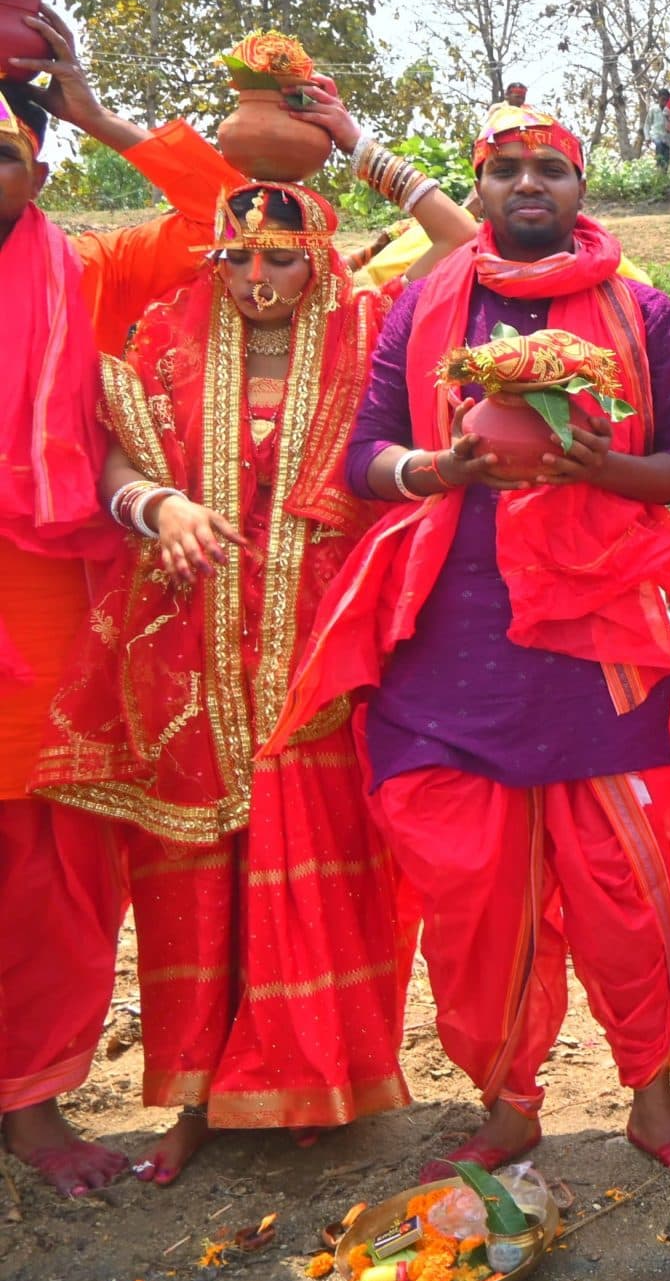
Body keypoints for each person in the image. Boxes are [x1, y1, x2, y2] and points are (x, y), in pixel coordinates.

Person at [277, 102, 670, 1189]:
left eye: (551, 170)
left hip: (597, 635)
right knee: (474, 896)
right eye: (508, 170)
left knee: (629, 888)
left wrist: (595, 470)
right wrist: (435, 471)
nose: (530, 185)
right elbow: (364, 456)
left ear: (579, 192)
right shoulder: (421, 303)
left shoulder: (642, 309)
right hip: (449, 636)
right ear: (477, 189)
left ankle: (651, 1101)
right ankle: (509, 1105)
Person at [36, 91, 475, 1183]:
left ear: (317, 254)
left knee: (323, 874)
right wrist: (156, 506)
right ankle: (187, 1097)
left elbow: (467, 249)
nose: (257, 279)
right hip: (190, 658)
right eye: (237, 258)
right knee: (190, 880)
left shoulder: (375, 327)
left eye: (280, 258)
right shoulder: (160, 334)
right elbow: (102, 454)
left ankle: (317, 1080)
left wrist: (364, 149)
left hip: (326, 660)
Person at [0, 14, 232, 1197]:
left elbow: (229, 211)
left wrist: (90, 107)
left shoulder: (82, 269)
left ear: (36, 167)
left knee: (48, 867)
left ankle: (30, 1100)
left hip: (46, 612)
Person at [649, 87, 670, 174]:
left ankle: (663, 174)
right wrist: (647, 137)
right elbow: (647, 124)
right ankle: (658, 166)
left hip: (666, 137)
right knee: (659, 145)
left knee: (666, 155)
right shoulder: (653, 109)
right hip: (656, 134)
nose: (664, 102)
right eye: (662, 99)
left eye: (666, 100)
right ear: (658, 98)